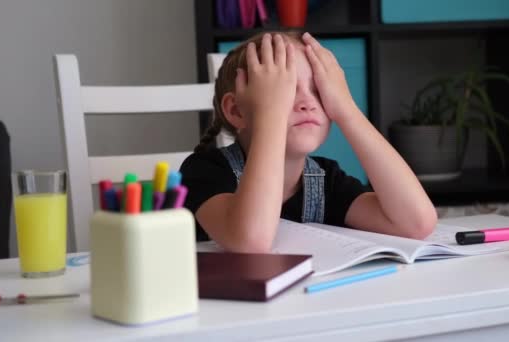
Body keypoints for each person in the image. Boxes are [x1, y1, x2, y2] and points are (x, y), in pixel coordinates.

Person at [180, 32, 437, 252]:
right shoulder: (204, 170)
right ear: (236, 111)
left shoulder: (326, 181)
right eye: (287, 90)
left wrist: (346, 108)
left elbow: (416, 223)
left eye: (318, 89)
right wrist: (271, 116)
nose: (307, 102)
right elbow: (251, 239)